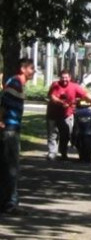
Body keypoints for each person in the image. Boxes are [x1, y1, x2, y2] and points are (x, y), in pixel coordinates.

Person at [0, 58, 35, 215]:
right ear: (23, 69)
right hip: (10, 129)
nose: (33, 71)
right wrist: (1, 120)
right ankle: (11, 204)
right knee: (12, 167)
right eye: (31, 68)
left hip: (11, 128)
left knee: (6, 166)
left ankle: (5, 201)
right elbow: (4, 103)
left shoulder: (16, 83)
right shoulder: (15, 82)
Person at [46, 69, 91, 162]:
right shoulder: (55, 85)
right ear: (60, 78)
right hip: (53, 115)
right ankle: (52, 153)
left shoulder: (74, 86)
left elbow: (85, 94)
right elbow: (52, 97)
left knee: (66, 135)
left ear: (70, 78)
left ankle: (63, 153)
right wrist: (61, 103)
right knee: (53, 135)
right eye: (63, 77)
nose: (64, 80)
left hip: (67, 115)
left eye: (66, 77)